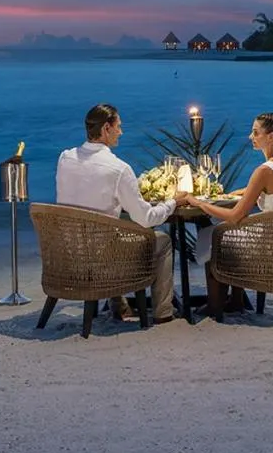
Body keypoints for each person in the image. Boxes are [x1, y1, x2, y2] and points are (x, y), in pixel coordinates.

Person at [54, 102, 189, 324]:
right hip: (104, 255)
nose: (121, 132)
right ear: (106, 128)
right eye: (118, 127)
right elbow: (146, 219)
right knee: (162, 240)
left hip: (69, 250)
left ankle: (119, 304)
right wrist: (172, 202)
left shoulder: (65, 158)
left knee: (114, 225)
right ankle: (163, 312)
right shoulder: (118, 169)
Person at [183, 112, 273, 312]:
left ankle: (215, 304)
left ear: (270, 137)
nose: (250, 137)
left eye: (255, 132)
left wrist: (197, 202)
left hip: (268, 244)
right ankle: (236, 300)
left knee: (214, 234)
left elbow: (234, 216)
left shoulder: (264, 171)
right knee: (227, 232)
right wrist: (242, 192)